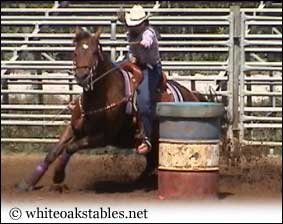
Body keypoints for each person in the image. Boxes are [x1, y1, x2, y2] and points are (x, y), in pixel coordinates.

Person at [118, 5, 162, 154]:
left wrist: (142, 44)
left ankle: (147, 138)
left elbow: (147, 41)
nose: (134, 27)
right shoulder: (131, 32)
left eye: (136, 25)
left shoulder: (149, 33)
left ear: (143, 23)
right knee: (111, 71)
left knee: (144, 102)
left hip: (150, 68)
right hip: (134, 63)